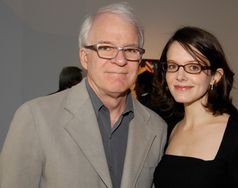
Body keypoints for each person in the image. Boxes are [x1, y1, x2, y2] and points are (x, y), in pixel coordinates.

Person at [0, 2, 167, 188]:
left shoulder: (156, 128)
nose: (120, 60)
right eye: (106, 48)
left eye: (130, 50)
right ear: (84, 57)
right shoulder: (36, 118)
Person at [152, 26, 238, 187]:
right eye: (172, 66)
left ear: (215, 77)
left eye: (194, 67)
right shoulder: (168, 129)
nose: (180, 76)